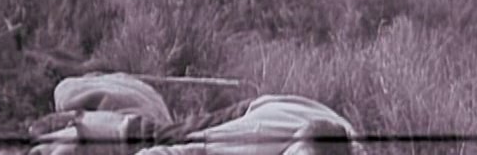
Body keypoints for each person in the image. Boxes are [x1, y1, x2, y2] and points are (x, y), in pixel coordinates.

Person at [27, 72, 361, 155]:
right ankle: (77, 124)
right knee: (170, 135)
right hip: (268, 114)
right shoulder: (252, 143)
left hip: (322, 127)